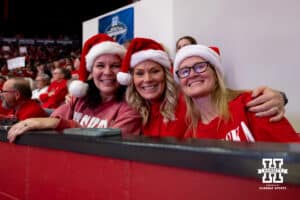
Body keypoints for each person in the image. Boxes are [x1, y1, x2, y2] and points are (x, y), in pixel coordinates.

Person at [116, 37, 287, 139]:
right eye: (139, 73)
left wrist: (279, 97)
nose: (147, 79)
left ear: (166, 74)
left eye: (154, 71)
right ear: (132, 79)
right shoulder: (136, 111)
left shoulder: (186, 100)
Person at [7, 34, 142, 143]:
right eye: (100, 66)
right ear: (91, 70)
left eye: (115, 65)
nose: (107, 72)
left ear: (124, 71)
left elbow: (110, 145)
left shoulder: (132, 105)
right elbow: (53, 119)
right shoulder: (80, 97)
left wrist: (60, 124)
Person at [173, 44, 299, 142]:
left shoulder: (253, 105)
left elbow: (291, 159)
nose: (192, 74)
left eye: (200, 66)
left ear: (216, 75)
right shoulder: (191, 134)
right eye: (184, 71)